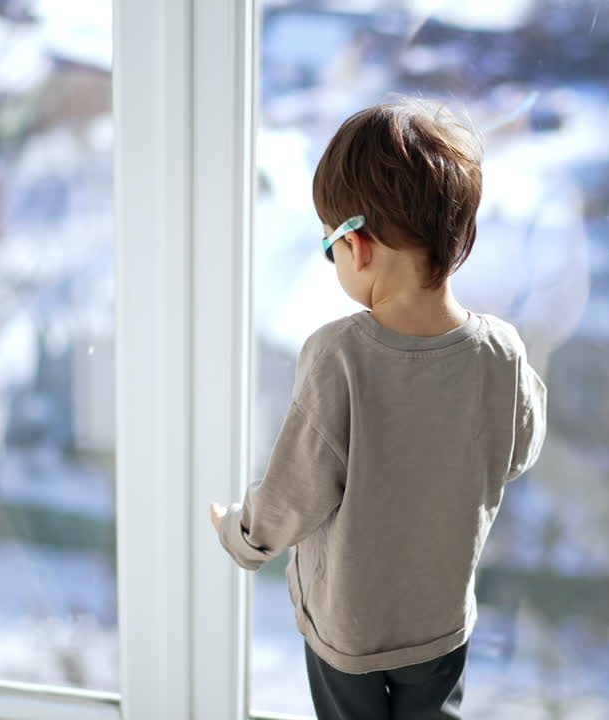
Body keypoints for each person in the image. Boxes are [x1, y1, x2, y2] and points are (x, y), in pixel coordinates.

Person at [211, 100, 547, 720]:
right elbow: (519, 450)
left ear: (357, 247)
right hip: (440, 619)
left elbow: (294, 489)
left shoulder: (338, 354)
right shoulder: (500, 351)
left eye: (328, 244)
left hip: (350, 630)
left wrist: (241, 533)